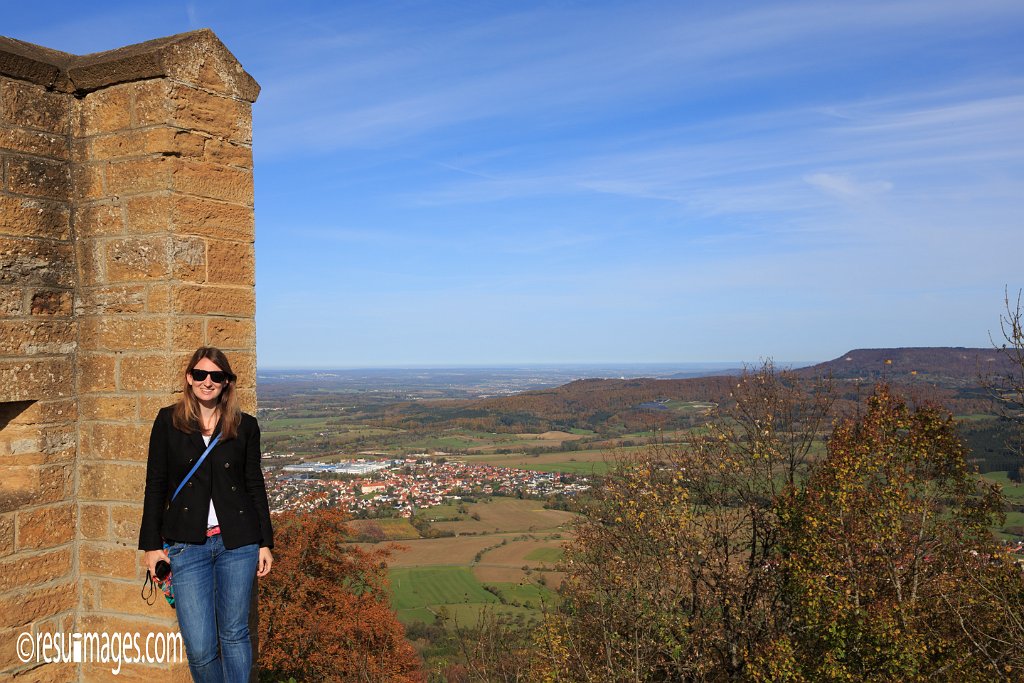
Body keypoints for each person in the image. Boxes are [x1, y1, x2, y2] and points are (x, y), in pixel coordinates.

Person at [139, 347, 274, 683]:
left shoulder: (245, 426)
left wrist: (265, 543)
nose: (207, 382)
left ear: (226, 382)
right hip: (187, 544)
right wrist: (151, 546)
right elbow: (155, 485)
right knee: (199, 646)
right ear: (189, 378)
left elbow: (254, 484)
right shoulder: (168, 422)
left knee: (234, 634)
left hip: (238, 543)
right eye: (200, 374)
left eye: (216, 376)